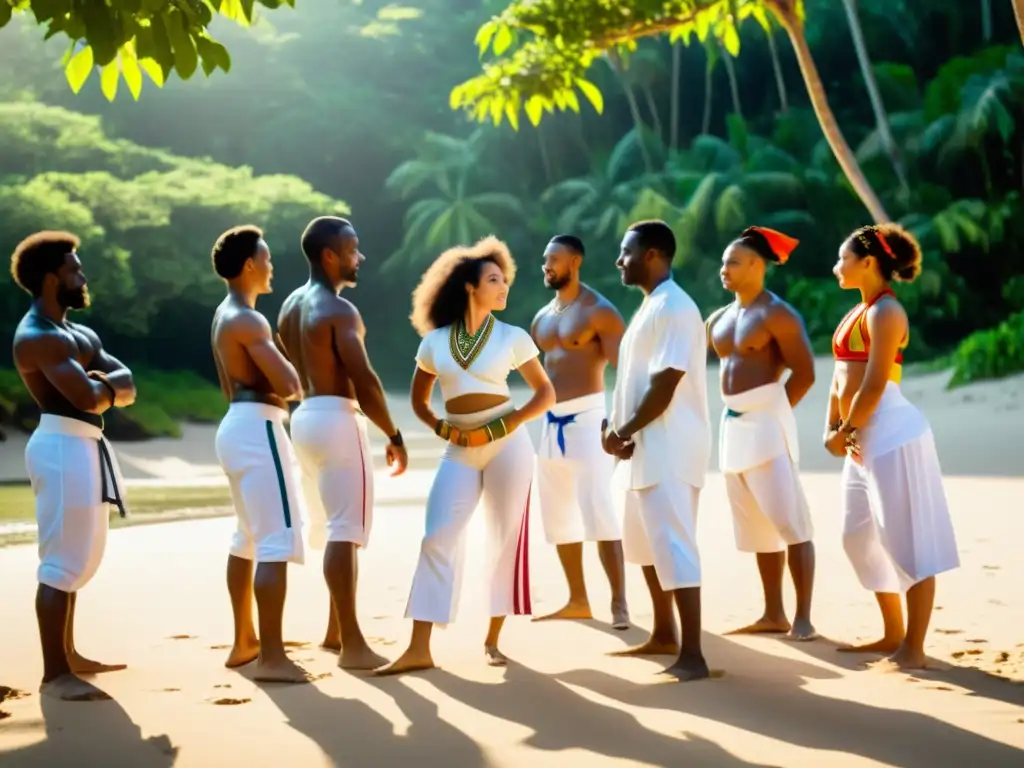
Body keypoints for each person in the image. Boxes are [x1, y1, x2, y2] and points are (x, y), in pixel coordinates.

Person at [375, 235, 555, 676]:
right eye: (494, 279)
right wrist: (444, 430)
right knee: (436, 536)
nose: (503, 287)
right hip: (458, 450)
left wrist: (495, 429)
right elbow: (420, 402)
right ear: (469, 286)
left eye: (505, 280)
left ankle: (493, 639)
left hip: (508, 446)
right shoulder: (435, 342)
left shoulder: (513, 337)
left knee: (505, 538)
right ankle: (419, 647)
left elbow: (545, 394)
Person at [825, 223, 959, 671]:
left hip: (892, 434)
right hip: (861, 436)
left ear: (867, 263)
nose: (835, 267)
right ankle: (892, 632)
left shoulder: (887, 313)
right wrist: (834, 428)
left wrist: (846, 431)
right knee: (857, 536)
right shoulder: (855, 313)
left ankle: (913, 649)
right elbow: (839, 377)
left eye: (842, 259)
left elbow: (876, 383)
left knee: (909, 542)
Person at [277, 216, 408, 670]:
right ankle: (353, 644)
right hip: (336, 418)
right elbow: (365, 378)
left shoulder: (290, 306)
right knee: (345, 530)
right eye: (353, 249)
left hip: (305, 419)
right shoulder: (338, 310)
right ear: (329, 255)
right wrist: (393, 433)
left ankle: (334, 632)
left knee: (332, 527)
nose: (360, 257)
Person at [11, 231, 136, 702]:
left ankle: (70, 654)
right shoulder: (37, 336)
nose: (83, 277)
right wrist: (107, 386)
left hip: (86, 444)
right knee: (61, 562)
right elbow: (87, 396)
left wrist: (103, 385)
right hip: (61, 445)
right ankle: (55, 672)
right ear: (51, 278)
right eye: (74, 270)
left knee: (83, 555)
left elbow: (128, 383)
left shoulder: (78, 333)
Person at [602, 220, 713, 682]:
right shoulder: (651, 306)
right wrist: (620, 428)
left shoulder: (674, 307)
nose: (619, 260)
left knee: (675, 544)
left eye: (625, 252)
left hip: (669, 444)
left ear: (652, 254)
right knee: (643, 543)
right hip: (642, 445)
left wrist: (622, 430)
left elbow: (665, 384)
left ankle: (693, 655)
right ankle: (664, 632)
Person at [209, 225, 310, 684]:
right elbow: (290, 385)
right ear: (249, 265)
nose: (272, 267)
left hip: (235, 427)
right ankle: (272, 656)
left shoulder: (223, 314)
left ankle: (244, 641)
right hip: (258, 430)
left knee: (245, 537)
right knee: (274, 539)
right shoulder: (249, 320)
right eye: (266, 259)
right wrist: (292, 370)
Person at [706, 227, 818, 641]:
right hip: (731, 424)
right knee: (755, 525)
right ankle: (773, 612)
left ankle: (803, 616)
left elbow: (805, 373)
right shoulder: (720, 318)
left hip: (768, 420)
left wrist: (773, 412)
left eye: (732, 262)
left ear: (757, 265)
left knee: (791, 521)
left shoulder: (778, 314)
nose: (724, 270)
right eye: (723, 262)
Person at [529, 234, 629, 629]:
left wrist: (622, 425)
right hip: (550, 424)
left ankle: (619, 602)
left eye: (553, 259)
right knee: (557, 514)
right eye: (544, 259)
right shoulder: (541, 317)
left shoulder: (598, 312)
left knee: (599, 510)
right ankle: (577, 599)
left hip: (590, 419)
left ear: (575, 262)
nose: (546, 266)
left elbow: (625, 371)